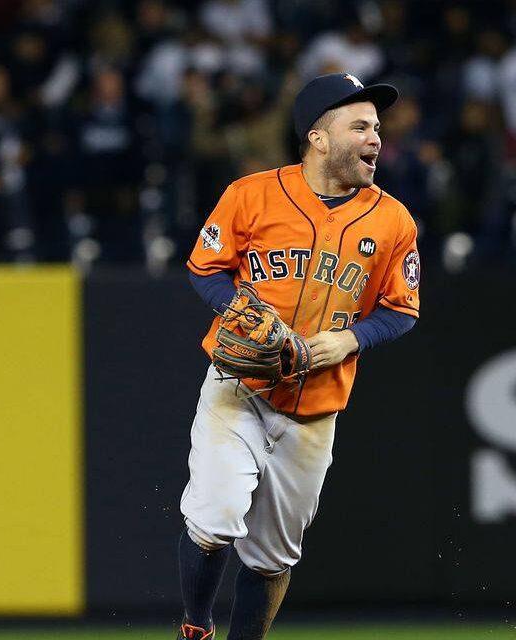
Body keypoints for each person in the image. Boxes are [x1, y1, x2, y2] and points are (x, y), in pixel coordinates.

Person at [175, 73, 422, 640]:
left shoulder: (393, 220)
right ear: (318, 136)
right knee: (214, 515)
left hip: (316, 405)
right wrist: (242, 309)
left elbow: (402, 310)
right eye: (360, 126)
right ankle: (194, 627)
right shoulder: (251, 193)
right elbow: (204, 267)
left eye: (377, 128)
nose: (376, 138)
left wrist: (354, 338)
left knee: (271, 557)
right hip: (238, 386)